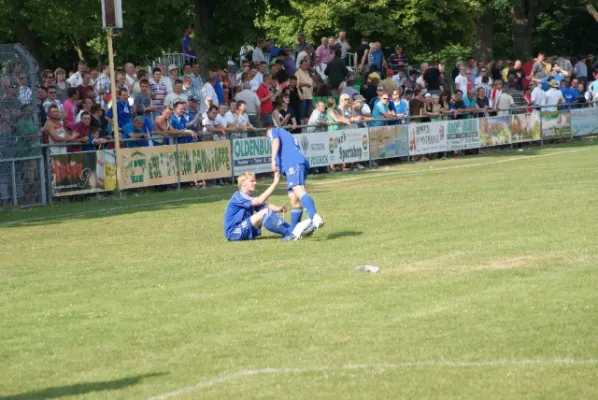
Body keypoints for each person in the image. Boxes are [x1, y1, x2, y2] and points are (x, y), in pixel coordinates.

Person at [223, 172, 313, 242]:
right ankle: (290, 233)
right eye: (252, 181)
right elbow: (259, 201)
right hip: (234, 232)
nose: (255, 183)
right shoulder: (238, 196)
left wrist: (278, 209)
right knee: (264, 213)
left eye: (255, 180)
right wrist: (274, 184)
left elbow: (265, 206)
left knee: (266, 210)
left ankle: (293, 230)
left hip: (243, 228)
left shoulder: (249, 197)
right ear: (243, 184)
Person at [267, 127, 325, 234]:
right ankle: (294, 232)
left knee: (298, 188)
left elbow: (275, 141)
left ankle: (314, 217)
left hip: (293, 164)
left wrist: (273, 159)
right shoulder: (287, 135)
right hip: (297, 163)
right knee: (294, 199)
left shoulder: (272, 130)